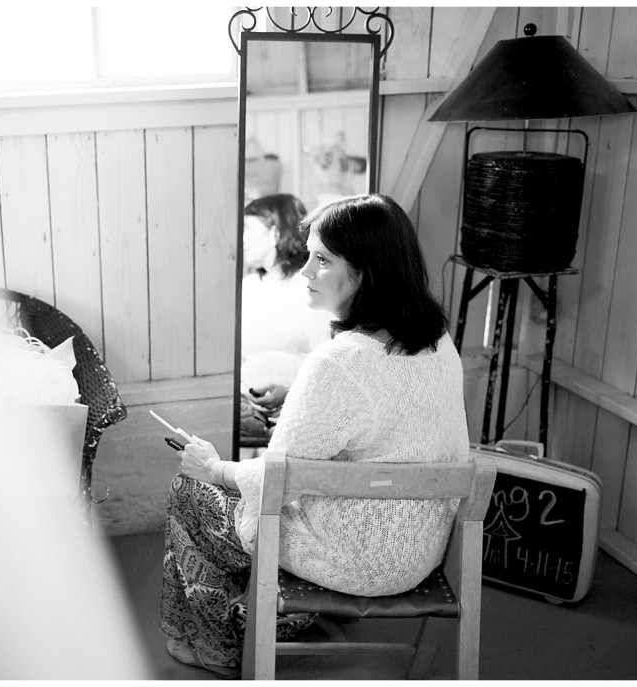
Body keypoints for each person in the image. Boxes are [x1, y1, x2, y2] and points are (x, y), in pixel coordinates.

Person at [160, 194, 470, 678]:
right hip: (418, 552)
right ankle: (258, 620)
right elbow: (382, 415)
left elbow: (273, 481)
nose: (305, 271)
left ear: (369, 270)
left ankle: (219, 644)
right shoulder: (436, 341)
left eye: (321, 259)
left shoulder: (338, 362)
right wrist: (297, 392)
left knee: (192, 491)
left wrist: (213, 466)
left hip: (351, 560)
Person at [239, 194, 327, 438]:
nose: (241, 238)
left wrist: (290, 392)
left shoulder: (310, 286)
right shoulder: (248, 287)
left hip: (299, 412)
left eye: (248, 228)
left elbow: (325, 360)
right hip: (246, 413)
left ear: (276, 231)